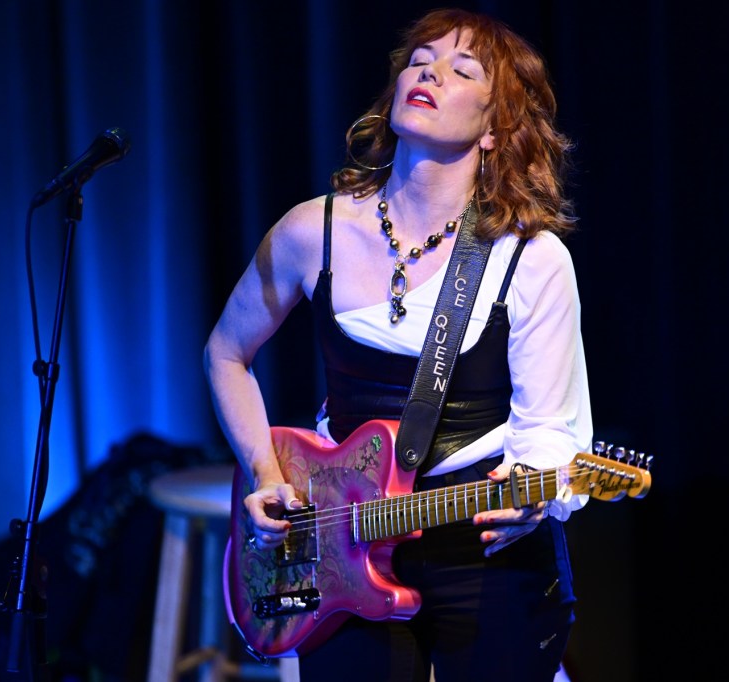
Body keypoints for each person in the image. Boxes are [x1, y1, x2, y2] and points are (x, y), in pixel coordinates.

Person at [204, 8, 592, 682]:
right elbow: (225, 354)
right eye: (421, 59)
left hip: (480, 547)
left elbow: (552, 428)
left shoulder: (530, 258)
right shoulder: (310, 231)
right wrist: (265, 475)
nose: (430, 72)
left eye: (462, 69)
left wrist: (536, 496)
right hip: (341, 544)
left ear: (498, 129)